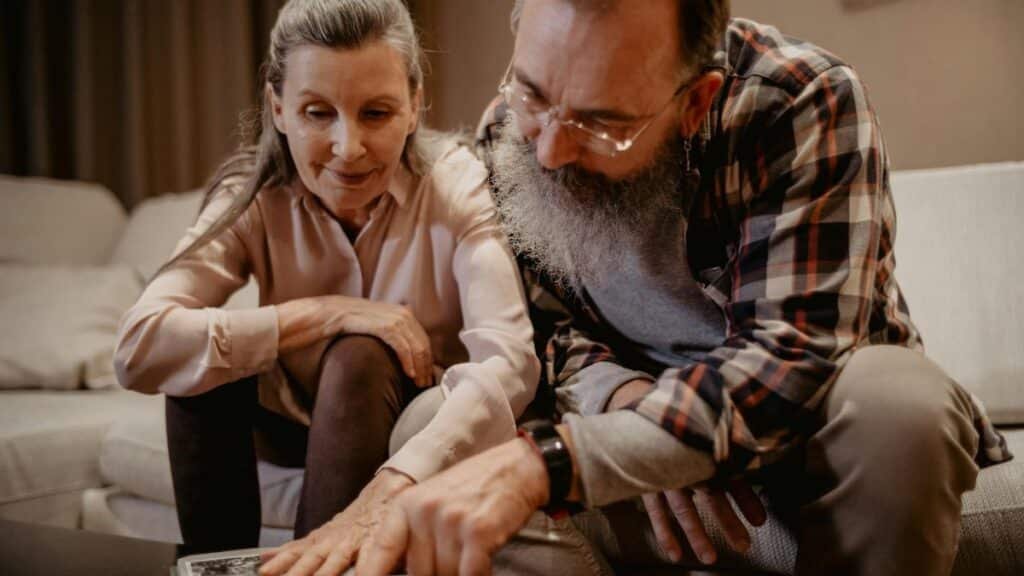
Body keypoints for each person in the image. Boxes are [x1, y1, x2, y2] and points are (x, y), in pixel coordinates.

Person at [347, 1, 1015, 576]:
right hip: (627, 447)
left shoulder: (801, 100)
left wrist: (569, 459)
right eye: (533, 93)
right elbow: (545, 328)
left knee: (900, 406)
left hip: (797, 451)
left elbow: (795, 355)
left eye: (602, 121)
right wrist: (627, 405)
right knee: (433, 423)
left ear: (696, 100)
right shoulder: (511, 135)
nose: (549, 149)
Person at [113, 0, 540, 557]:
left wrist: (405, 473)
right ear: (278, 107)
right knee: (197, 358)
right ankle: (214, 565)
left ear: (415, 105)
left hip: (399, 418)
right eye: (318, 113)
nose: (348, 148)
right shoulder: (251, 194)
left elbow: (509, 363)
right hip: (289, 421)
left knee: (361, 351)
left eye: (377, 113)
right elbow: (138, 347)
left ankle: (321, 566)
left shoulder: (455, 185)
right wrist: (325, 312)